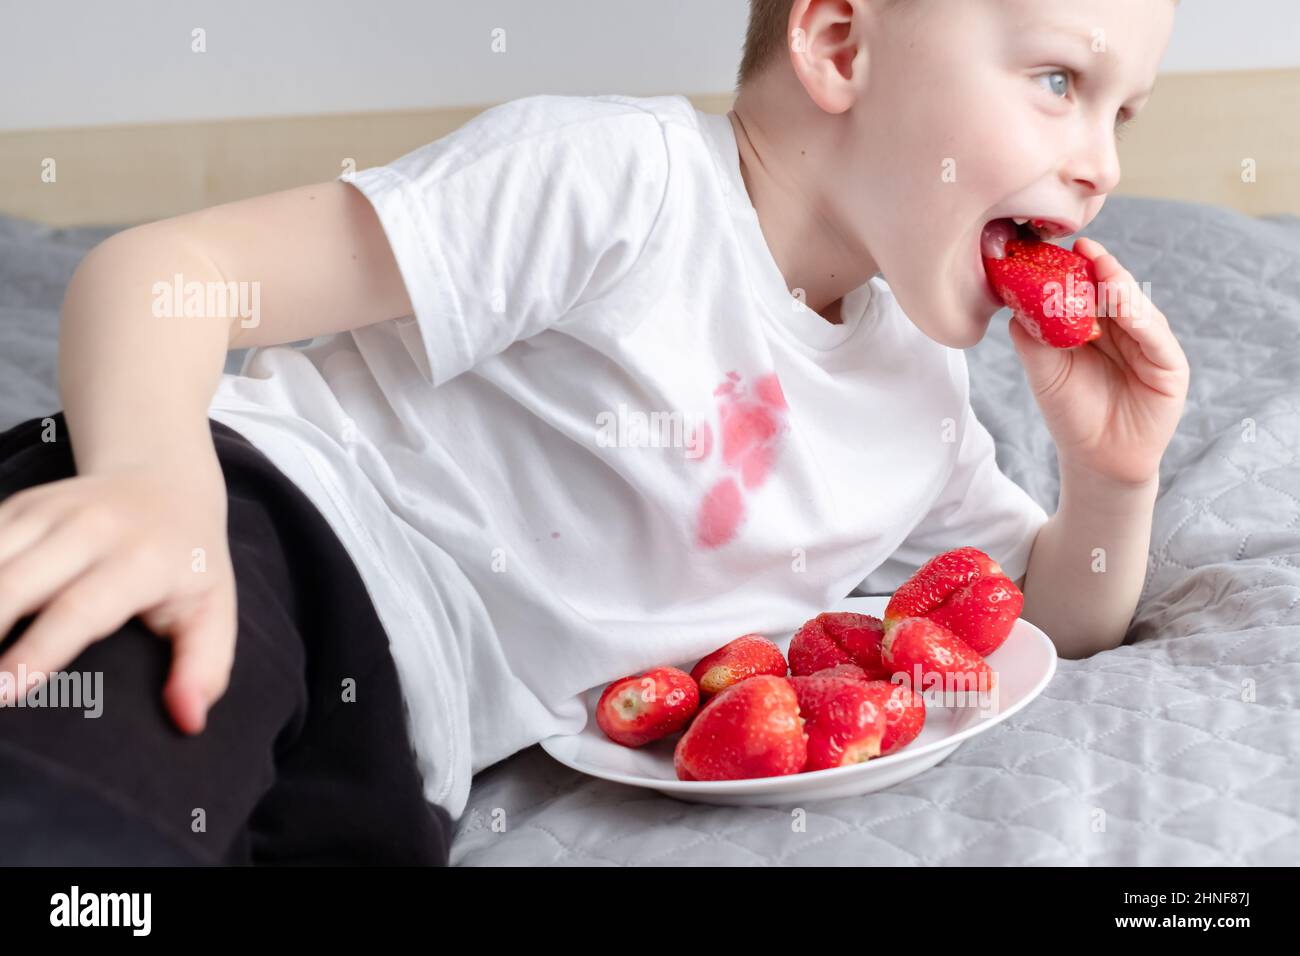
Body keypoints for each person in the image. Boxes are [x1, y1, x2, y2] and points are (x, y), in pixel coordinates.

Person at [0, 0, 1187, 865]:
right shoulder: (620, 180)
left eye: (1124, 114)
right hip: (259, 532)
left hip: (409, 744)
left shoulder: (917, 386)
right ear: (838, 44)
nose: (1101, 166)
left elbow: (1036, 625)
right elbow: (167, 275)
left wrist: (1109, 476)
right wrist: (158, 488)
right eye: (1057, 83)